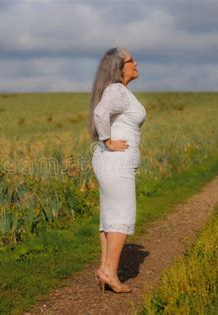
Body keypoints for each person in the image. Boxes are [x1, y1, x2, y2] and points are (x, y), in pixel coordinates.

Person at [88, 47, 146, 293]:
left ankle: (105, 270)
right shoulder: (117, 91)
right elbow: (100, 112)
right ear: (119, 67)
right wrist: (108, 140)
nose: (136, 63)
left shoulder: (118, 91)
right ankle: (110, 272)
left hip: (111, 161)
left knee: (110, 217)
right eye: (132, 60)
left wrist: (106, 142)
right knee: (121, 216)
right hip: (116, 162)